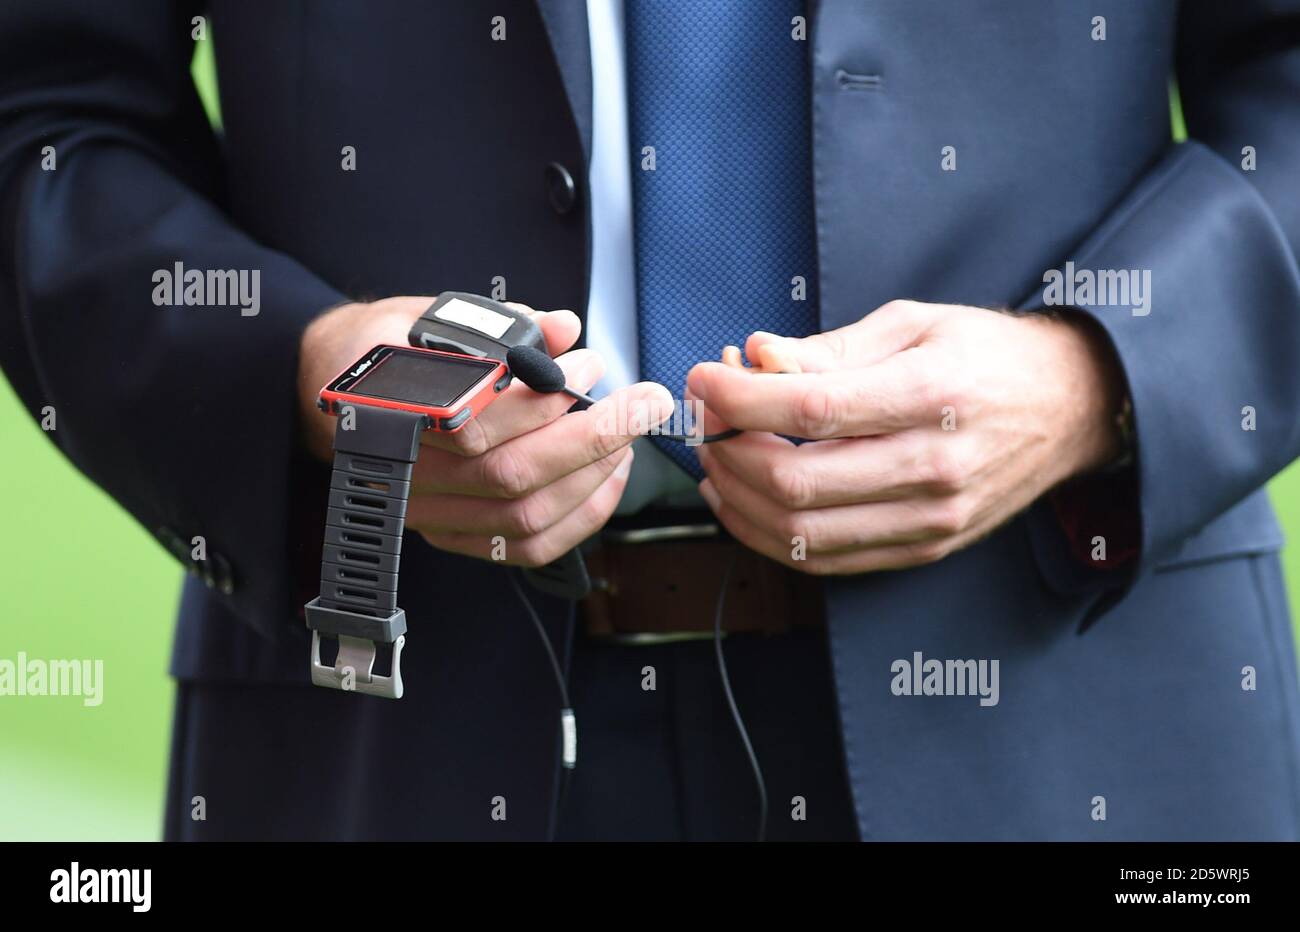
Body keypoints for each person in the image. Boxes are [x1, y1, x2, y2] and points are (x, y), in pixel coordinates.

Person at [1, 0, 1297, 841]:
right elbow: (47, 119)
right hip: (398, 728)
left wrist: (1095, 375)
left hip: (1071, 711)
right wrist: (305, 367)